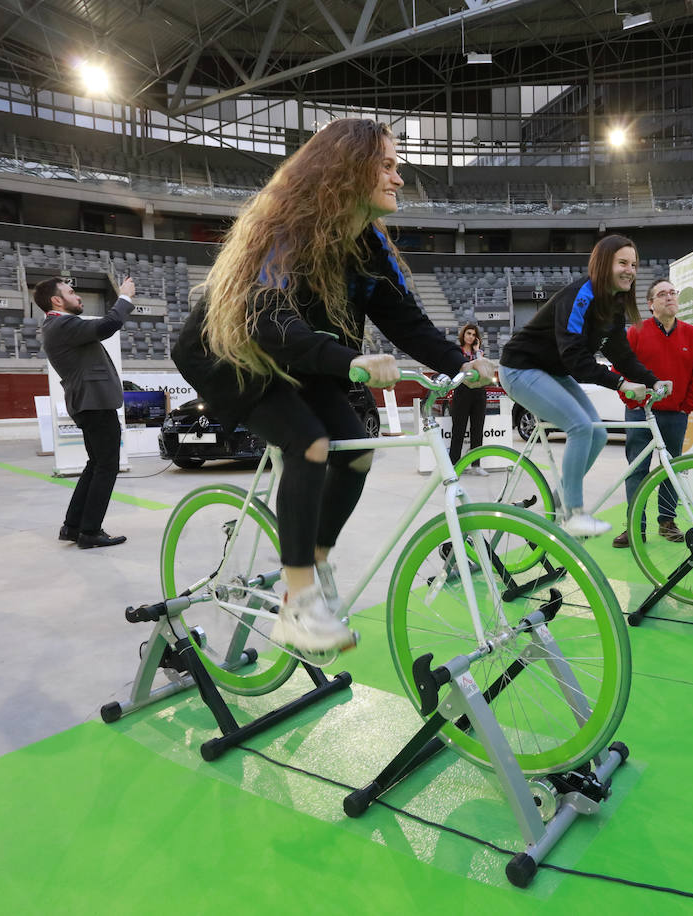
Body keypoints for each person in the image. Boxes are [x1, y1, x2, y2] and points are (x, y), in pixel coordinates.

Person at [171, 118, 494, 655]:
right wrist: (350, 360)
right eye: (387, 166)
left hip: (298, 356)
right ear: (347, 170)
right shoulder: (286, 228)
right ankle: (296, 603)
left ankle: (315, 560)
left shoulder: (370, 244)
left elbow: (407, 321)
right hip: (230, 352)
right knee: (310, 441)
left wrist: (463, 361)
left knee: (357, 449)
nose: (398, 179)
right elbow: (268, 319)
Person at [498, 235, 660, 538]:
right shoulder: (580, 296)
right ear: (603, 264)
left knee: (597, 433)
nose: (631, 270)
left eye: (634, 264)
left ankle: (558, 502)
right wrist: (621, 384)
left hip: (551, 371)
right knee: (580, 427)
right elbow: (575, 358)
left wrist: (652, 380)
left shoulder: (614, 304)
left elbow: (621, 355)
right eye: (623, 263)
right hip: (519, 368)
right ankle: (573, 513)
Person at [36, 275, 136, 549]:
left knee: (95, 465)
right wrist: (124, 296)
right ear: (57, 300)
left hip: (90, 403)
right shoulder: (62, 323)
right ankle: (90, 531)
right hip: (95, 403)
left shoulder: (57, 325)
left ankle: (73, 527)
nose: (77, 296)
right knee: (106, 467)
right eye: (71, 292)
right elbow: (109, 325)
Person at [612, 278, 693, 548]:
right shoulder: (636, 333)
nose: (670, 297)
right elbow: (618, 371)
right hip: (640, 415)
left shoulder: (690, 334)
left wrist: (684, 407)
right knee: (637, 472)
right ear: (651, 304)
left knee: (671, 469)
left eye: (672, 293)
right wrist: (631, 401)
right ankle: (635, 528)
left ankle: (667, 522)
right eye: (662, 294)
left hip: (675, 416)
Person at [448, 322, 489, 475]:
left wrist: (478, 351)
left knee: (477, 429)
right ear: (463, 335)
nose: (471, 337)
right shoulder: (457, 352)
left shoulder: (479, 353)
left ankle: (476, 465)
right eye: (468, 334)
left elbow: (482, 367)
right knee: (458, 429)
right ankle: (454, 465)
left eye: (473, 335)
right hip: (462, 391)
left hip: (478, 392)